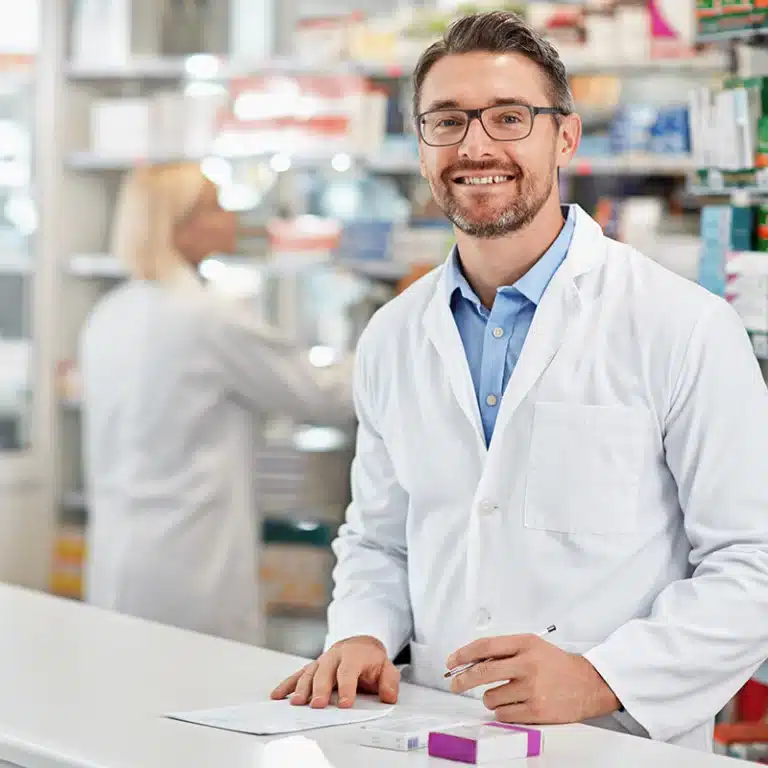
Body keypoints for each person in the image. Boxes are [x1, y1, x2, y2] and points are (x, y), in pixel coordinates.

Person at [272, 11, 768, 752]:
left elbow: (753, 563)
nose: (476, 146)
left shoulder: (681, 326)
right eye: (446, 120)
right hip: (434, 731)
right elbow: (380, 538)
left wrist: (603, 678)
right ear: (421, 144)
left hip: (613, 743)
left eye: (509, 118)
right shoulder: (394, 335)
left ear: (564, 137)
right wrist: (362, 635)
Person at [80, 162, 353, 644]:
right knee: (197, 702)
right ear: (178, 226)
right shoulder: (208, 317)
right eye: (213, 206)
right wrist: (396, 352)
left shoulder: (109, 312)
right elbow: (320, 394)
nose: (229, 215)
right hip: (192, 567)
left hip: (118, 557)